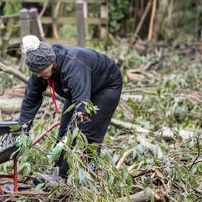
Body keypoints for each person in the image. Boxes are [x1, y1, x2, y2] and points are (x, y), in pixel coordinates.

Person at [17, 35, 123, 180]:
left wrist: (78, 122)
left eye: (41, 71)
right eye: (35, 72)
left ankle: (88, 174)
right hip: (79, 90)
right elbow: (31, 99)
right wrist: (22, 129)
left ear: (52, 61)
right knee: (64, 131)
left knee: (86, 132)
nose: (38, 75)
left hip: (106, 86)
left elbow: (82, 106)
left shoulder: (73, 66)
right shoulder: (39, 71)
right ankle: (60, 174)